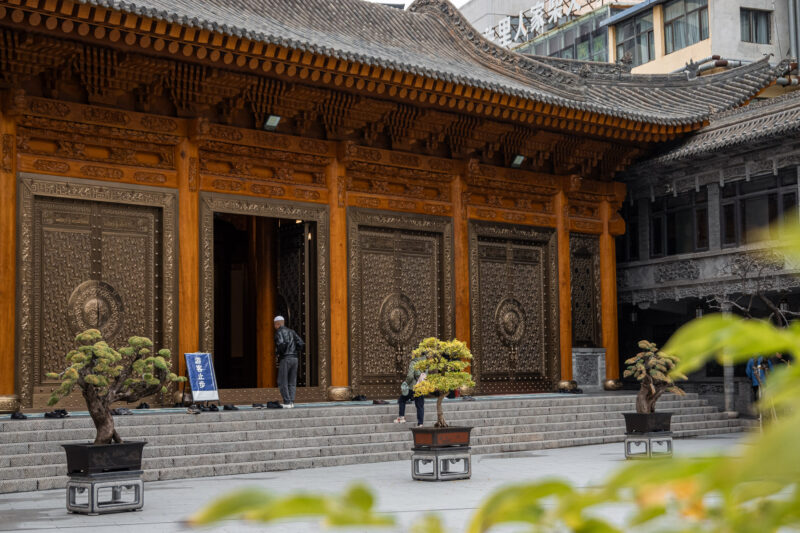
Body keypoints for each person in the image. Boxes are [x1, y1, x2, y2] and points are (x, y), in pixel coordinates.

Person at [273, 315, 304, 408]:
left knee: (282, 381)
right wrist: (294, 351)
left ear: (277, 324)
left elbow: (282, 344)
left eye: (274, 324)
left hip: (286, 358)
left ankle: (287, 402)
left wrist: (279, 353)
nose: (274, 326)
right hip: (295, 358)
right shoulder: (292, 331)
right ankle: (291, 402)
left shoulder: (279, 332)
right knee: (292, 381)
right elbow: (301, 343)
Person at [395, 355, 425, 426]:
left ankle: (401, 417)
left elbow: (410, 376)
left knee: (402, 399)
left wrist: (406, 383)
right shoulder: (426, 363)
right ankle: (420, 424)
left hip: (413, 387)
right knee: (420, 405)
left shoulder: (414, 362)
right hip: (421, 387)